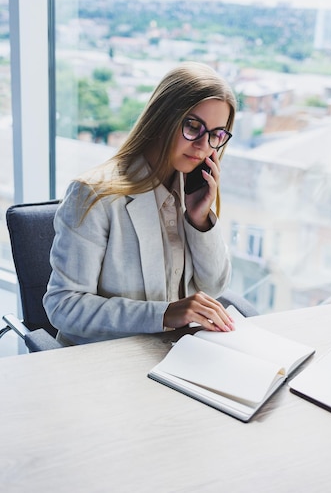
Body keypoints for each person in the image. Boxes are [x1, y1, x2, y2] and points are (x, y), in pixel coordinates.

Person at [43, 62, 236, 345]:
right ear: (162, 119)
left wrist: (200, 220)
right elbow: (63, 305)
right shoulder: (93, 195)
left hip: (175, 355)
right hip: (106, 362)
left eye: (216, 134)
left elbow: (215, 286)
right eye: (193, 126)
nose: (203, 146)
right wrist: (164, 314)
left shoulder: (192, 191)